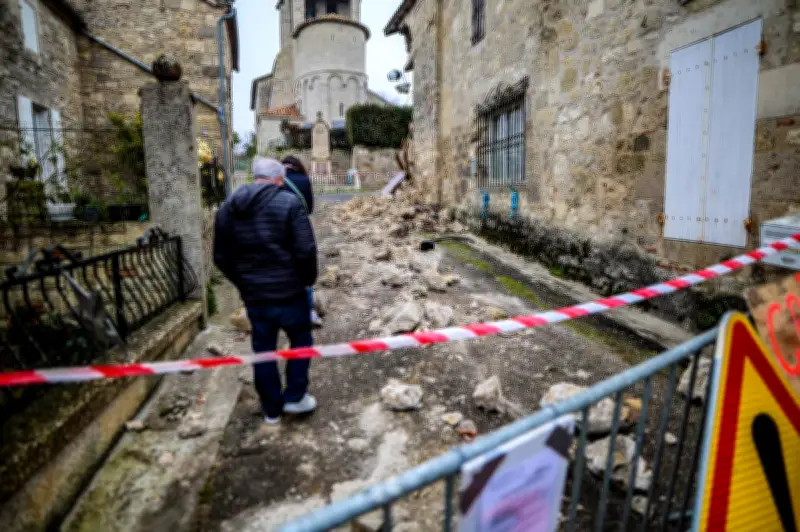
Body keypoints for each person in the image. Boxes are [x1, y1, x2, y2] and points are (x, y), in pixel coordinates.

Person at [214, 157, 318, 424]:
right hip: (290, 293)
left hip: (256, 297)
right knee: (301, 341)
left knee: (263, 350)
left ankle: (271, 410)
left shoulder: (228, 209)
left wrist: (244, 283)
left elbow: (221, 257)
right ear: (280, 180)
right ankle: (295, 397)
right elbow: (305, 249)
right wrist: (307, 280)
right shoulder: (290, 203)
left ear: (255, 177)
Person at [281, 155, 323, 328]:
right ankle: (308, 309)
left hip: (279, 229)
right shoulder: (304, 180)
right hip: (300, 227)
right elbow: (310, 208)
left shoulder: (277, 181)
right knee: (303, 266)